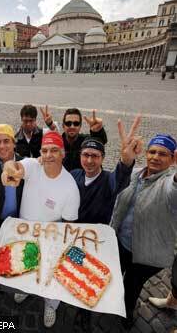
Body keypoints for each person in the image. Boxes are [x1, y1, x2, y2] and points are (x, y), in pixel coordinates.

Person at [2, 131, 80, 328]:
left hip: (51, 239)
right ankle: (26, 289)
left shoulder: (70, 187)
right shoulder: (32, 165)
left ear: (63, 153)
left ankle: (51, 304)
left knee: (49, 274)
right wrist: (11, 170)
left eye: (54, 150)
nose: (48, 155)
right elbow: (12, 165)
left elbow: (69, 226)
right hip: (24, 233)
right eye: (44, 150)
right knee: (26, 263)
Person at [111, 133, 177, 327]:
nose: (155, 157)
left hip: (146, 254)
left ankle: (127, 310)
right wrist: (125, 162)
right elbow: (117, 191)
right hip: (121, 242)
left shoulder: (167, 182)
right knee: (113, 276)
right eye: (152, 151)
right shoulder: (135, 174)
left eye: (163, 154)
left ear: (173, 159)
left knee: (131, 285)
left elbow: (173, 192)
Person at [73, 115, 142, 225]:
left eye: (95, 156)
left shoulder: (109, 180)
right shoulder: (74, 175)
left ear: (103, 158)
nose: (89, 160)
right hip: (73, 234)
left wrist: (126, 160)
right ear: (80, 156)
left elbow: (121, 177)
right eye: (85, 155)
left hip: (98, 237)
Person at [41, 106, 108, 171]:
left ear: (80, 126)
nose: (72, 126)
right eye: (68, 123)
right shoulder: (58, 144)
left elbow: (100, 141)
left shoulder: (86, 142)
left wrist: (98, 131)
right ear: (63, 126)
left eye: (76, 123)